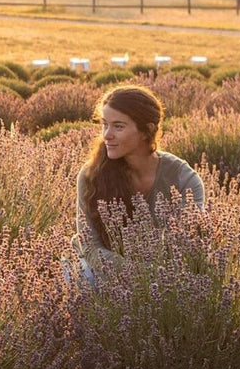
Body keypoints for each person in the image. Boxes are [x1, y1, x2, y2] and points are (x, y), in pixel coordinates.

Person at [73, 84, 206, 275]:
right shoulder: (91, 175)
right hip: (102, 269)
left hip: (165, 275)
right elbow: (90, 247)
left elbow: (187, 244)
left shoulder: (183, 179)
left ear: (147, 130)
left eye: (118, 126)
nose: (106, 135)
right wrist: (138, 275)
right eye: (104, 124)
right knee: (88, 281)